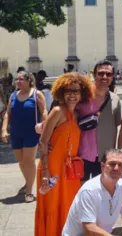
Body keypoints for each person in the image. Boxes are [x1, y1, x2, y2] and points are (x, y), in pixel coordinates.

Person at [35, 73, 95, 235]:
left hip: (70, 170)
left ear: (82, 93)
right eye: (68, 90)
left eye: (76, 91)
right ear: (62, 92)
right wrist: (46, 172)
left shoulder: (77, 115)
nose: (72, 94)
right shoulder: (57, 111)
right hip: (53, 168)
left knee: (69, 205)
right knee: (53, 205)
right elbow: (43, 142)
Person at [62, 149, 122, 236]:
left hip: (106, 233)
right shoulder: (89, 190)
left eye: (120, 165)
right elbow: (89, 228)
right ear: (102, 166)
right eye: (112, 164)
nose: (116, 168)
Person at [1, 71, 47, 202]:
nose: (18, 81)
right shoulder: (14, 95)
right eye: (17, 79)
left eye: (21, 79)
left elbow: (44, 112)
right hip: (16, 133)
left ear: (29, 80)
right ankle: (28, 182)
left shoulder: (36, 94)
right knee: (21, 161)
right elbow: (7, 114)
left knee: (29, 160)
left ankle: (29, 191)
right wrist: (4, 129)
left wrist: (45, 127)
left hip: (31, 133)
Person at [78, 60, 122, 182]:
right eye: (101, 73)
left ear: (113, 76)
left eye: (108, 74)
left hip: (105, 157)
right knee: (81, 191)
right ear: (94, 75)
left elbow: (116, 126)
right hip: (82, 155)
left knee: (102, 191)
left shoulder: (116, 100)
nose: (104, 77)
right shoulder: (81, 98)